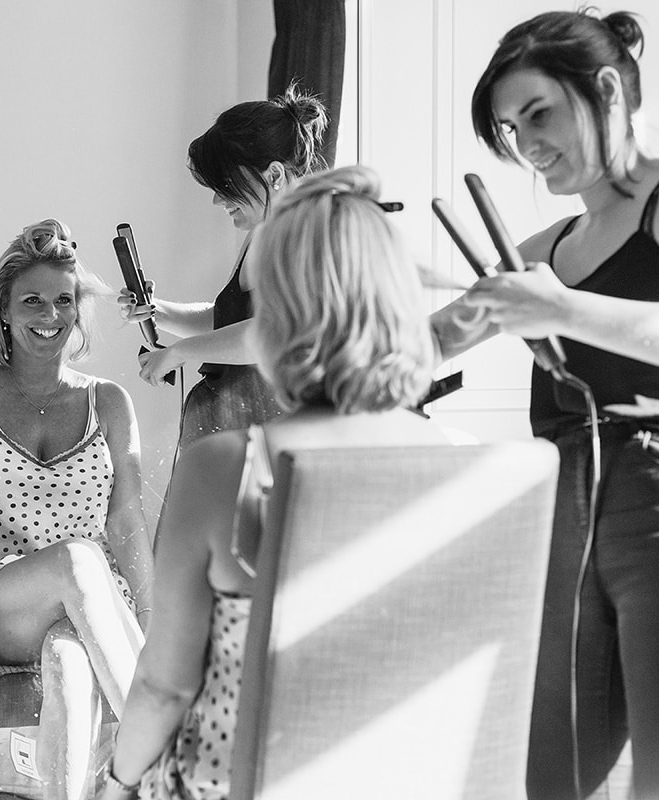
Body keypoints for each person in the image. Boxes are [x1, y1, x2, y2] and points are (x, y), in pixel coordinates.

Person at [432, 9, 659, 799]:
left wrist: (561, 309)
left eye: (538, 115)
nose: (527, 147)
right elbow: (419, 347)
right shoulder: (546, 251)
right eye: (509, 129)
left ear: (604, 90)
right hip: (569, 522)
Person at [99, 165, 463, 800]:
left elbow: (164, 688)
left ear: (277, 313)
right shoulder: (454, 461)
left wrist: (116, 782)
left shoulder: (228, 469)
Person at [0, 219, 154, 800]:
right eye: (33, 301)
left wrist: (150, 623)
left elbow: (126, 525)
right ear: (4, 309)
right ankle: (167, 750)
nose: (50, 316)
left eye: (63, 301)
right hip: (1, 603)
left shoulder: (110, 401)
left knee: (71, 667)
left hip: (92, 607)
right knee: (76, 560)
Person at [120, 85, 328, 450]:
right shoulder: (263, 231)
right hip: (230, 427)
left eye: (227, 185)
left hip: (267, 436)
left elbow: (274, 334)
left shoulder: (305, 236)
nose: (218, 199)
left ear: (274, 176)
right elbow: (230, 319)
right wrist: (159, 312)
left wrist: (181, 352)